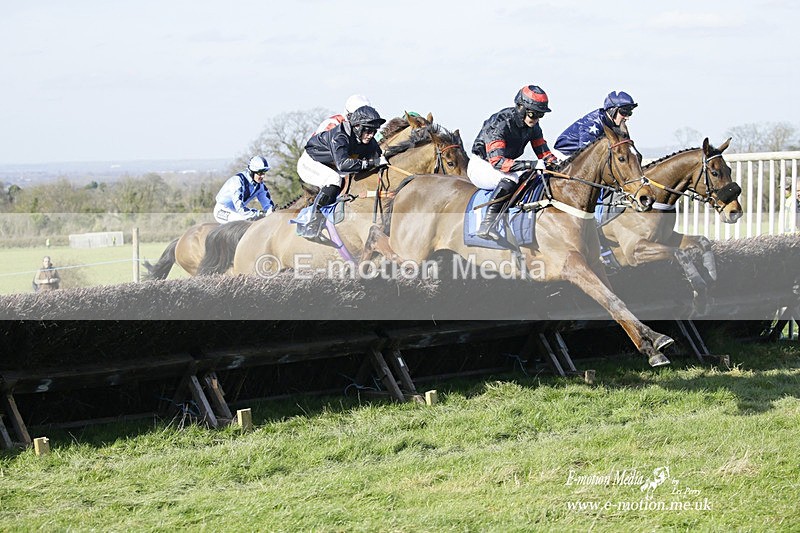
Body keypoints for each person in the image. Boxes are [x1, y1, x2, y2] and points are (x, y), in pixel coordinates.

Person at [469, 84, 558, 240]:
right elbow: (497, 162)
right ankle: (487, 225)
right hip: (482, 165)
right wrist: (530, 164)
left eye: (540, 115)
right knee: (512, 178)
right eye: (533, 114)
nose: (536, 119)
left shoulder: (534, 126)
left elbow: (544, 153)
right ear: (521, 108)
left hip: (502, 164)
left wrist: (558, 164)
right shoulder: (500, 122)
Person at [296, 105, 387, 240]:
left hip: (331, 164)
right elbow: (343, 165)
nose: (371, 135)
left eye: (374, 131)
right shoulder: (339, 135)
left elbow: (380, 158)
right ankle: (312, 222)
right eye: (368, 130)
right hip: (310, 163)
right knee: (334, 179)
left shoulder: (369, 140)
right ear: (357, 126)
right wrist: (372, 163)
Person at [554, 91, 638, 156]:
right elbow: (586, 154)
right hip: (564, 155)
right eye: (624, 112)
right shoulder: (593, 124)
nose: (627, 117)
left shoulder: (612, 123)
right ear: (612, 110)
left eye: (629, 113)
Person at [213, 155, 275, 224]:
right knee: (244, 221)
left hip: (237, 212)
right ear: (251, 172)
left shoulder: (260, 186)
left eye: (264, 173)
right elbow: (240, 209)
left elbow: (269, 207)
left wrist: (273, 212)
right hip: (222, 210)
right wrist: (260, 213)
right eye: (260, 173)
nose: (263, 176)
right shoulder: (237, 181)